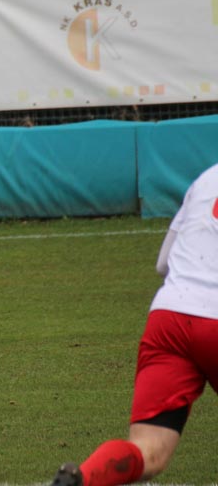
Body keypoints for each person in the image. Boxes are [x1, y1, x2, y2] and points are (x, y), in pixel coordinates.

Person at [51, 162, 218, 486]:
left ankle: (81, 479)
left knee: (148, 449)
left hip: (169, 318)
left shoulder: (208, 177)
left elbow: (163, 264)